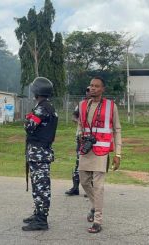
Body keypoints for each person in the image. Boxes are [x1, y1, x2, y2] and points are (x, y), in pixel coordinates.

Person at [78, 77, 121, 233]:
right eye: (91, 86)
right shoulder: (83, 105)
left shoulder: (111, 106)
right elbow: (80, 126)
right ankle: (95, 205)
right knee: (83, 181)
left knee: (98, 186)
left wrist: (118, 154)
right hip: (86, 150)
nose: (93, 88)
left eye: (97, 86)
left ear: (103, 89)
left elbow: (117, 130)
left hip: (102, 151)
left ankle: (98, 220)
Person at [22, 77, 58, 231]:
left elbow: (29, 127)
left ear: (36, 91)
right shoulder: (47, 107)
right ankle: (38, 214)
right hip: (41, 153)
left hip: (39, 154)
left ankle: (41, 220)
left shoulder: (41, 108)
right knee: (39, 186)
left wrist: (27, 118)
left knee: (41, 187)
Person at [65, 86, 90, 196]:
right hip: (81, 137)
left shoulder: (99, 105)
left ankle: (90, 189)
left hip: (93, 139)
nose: (90, 91)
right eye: (88, 90)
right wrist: (80, 121)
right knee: (78, 162)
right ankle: (75, 187)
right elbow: (73, 117)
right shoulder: (81, 104)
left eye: (92, 89)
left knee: (92, 163)